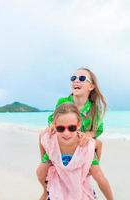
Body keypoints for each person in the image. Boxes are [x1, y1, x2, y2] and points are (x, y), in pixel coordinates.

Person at [37, 67, 113, 200]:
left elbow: (98, 130)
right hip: (61, 145)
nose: (76, 81)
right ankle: (46, 190)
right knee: (41, 171)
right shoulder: (63, 102)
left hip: (82, 147)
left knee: (98, 174)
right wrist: (51, 126)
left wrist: (88, 134)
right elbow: (53, 118)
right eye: (73, 78)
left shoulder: (95, 109)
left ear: (91, 86)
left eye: (82, 78)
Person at [40, 103, 97, 200]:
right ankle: (45, 191)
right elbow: (41, 137)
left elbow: (98, 145)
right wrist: (44, 159)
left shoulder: (85, 144)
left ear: (78, 124)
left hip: (79, 186)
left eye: (71, 128)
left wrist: (90, 170)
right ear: (54, 125)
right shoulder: (50, 140)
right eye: (61, 128)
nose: (66, 133)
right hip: (57, 186)